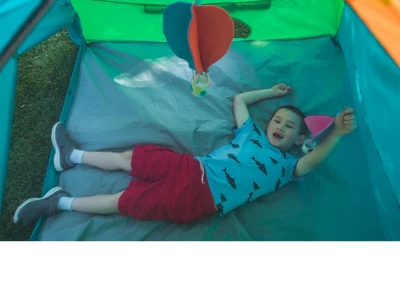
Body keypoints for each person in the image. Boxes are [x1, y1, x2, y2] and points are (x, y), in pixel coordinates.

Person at [13, 84, 358, 225]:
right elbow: (239, 101)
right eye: (277, 120)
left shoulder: (288, 166)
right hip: (191, 167)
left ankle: (59, 203)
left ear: (300, 139)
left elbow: (314, 160)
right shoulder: (250, 132)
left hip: (199, 198)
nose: (279, 126)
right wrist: (270, 91)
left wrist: (337, 134)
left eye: (289, 126)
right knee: (130, 158)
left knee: (124, 201)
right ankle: (72, 156)